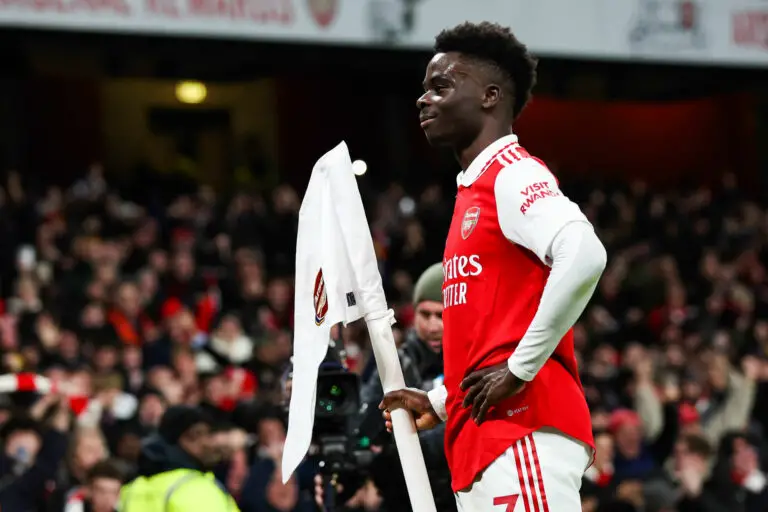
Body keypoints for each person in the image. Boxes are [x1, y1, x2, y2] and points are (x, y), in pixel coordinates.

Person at [380, 21, 607, 510]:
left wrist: (520, 369)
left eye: (441, 86)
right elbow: (489, 332)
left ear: (490, 97)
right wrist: (442, 401)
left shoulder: (512, 173)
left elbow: (585, 253)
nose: (423, 99)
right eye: (424, 89)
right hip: (482, 439)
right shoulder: (472, 190)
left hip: (520, 429)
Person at [119, 405, 240, 511]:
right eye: (207, 435)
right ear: (191, 436)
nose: (212, 443)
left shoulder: (133, 488)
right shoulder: (196, 489)